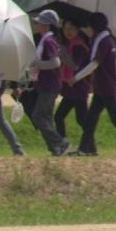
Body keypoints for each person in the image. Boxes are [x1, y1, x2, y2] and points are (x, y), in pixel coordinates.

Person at [69, 11, 116, 156]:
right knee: (91, 120)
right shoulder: (107, 39)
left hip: (106, 87)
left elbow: (94, 64)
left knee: (115, 117)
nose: (87, 29)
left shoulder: (103, 42)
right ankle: (85, 149)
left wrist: (76, 78)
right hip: (102, 87)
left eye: (89, 26)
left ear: (94, 27)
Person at [30, 9, 70, 156]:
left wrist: (34, 63)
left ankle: (60, 143)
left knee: (38, 116)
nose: (36, 25)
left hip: (49, 84)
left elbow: (55, 62)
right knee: (46, 117)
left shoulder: (48, 41)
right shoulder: (46, 40)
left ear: (46, 25)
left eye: (39, 23)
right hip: (46, 84)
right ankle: (55, 148)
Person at [54, 18, 90, 146]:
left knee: (82, 119)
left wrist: (63, 54)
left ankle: (90, 146)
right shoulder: (70, 45)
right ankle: (63, 144)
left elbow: (75, 66)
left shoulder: (79, 46)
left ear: (77, 30)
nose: (67, 32)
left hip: (79, 88)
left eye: (71, 29)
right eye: (65, 29)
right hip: (70, 89)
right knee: (59, 117)